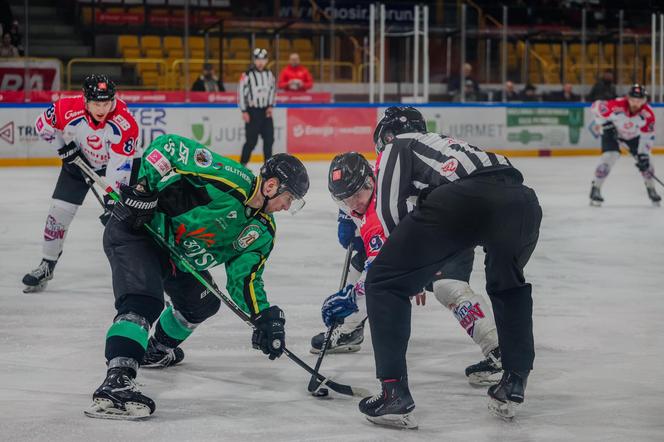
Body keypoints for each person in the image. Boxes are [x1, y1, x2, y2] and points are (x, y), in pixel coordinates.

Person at [86, 134, 310, 419]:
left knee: (203, 302)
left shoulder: (262, 232)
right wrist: (144, 187)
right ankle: (116, 381)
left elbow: (244, 279)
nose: (288, 206)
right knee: (143, 302)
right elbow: (168, 148)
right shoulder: (230, 178)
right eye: (289, 198)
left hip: (176, 256)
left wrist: (263, 316)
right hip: (139, 231)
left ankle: (155, 349)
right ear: (271, 185)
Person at [356, 107, 542, 428]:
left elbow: (389, 211)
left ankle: (393, 394)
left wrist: (405, 269)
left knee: (383, 282)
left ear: (385, 135)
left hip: (465, 200)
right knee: (508, 286)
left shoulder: (396, 145)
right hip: (522, 201)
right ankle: (513, 380)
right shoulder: (450, 145)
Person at [318, 151, 503, 387]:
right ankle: (350, 330)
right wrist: (348, 218)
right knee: (359, 262)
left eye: (355, 195)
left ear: (369, 181)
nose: (353, 204)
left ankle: (498, 350)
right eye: (345, 200)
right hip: (407, 239)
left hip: (445, 235)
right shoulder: (363, 191)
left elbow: (381, 273)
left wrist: (352, 298)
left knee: (447, 287)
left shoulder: (391, 192)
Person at [22, 74, 139, 293]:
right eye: (97, 103)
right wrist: (63, 147)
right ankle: (47, 264)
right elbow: (43, 126)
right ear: (85, 99)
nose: (102, 108)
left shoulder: (124, 122)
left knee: (125, 223)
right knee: (57, 215)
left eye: (106, 102)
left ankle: (141, 273)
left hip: (112, 167)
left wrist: (113, 199)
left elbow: (120, 166)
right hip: (77, 161)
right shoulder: (66, 107)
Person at [589, 84, 660, 206]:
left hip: (635, 138)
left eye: (639, 100)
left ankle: (651, 188)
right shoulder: (616, 105)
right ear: (628, 98)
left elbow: (647, 136)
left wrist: (643, 154)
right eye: (633, 100)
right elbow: (595, 107)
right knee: (609, 157)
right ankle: (595, 188)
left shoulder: (648, 114)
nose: (635, 104)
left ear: (644, 101)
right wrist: (605, 124)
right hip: (612, 133)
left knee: (648, 162)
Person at [238, 48, 276, 166]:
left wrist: (270, 106)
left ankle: (268, 166)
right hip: (252, 111)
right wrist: (244, 111)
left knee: (269, 140)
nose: (260, 62)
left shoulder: (269, 74)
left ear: (266, 61)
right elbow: (240, 93)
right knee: (251, 141)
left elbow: (273, 91)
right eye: (258, 59)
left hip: (266, 111)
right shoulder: (247, 75)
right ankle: (242, 165)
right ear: (254, 60)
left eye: (263, 59)